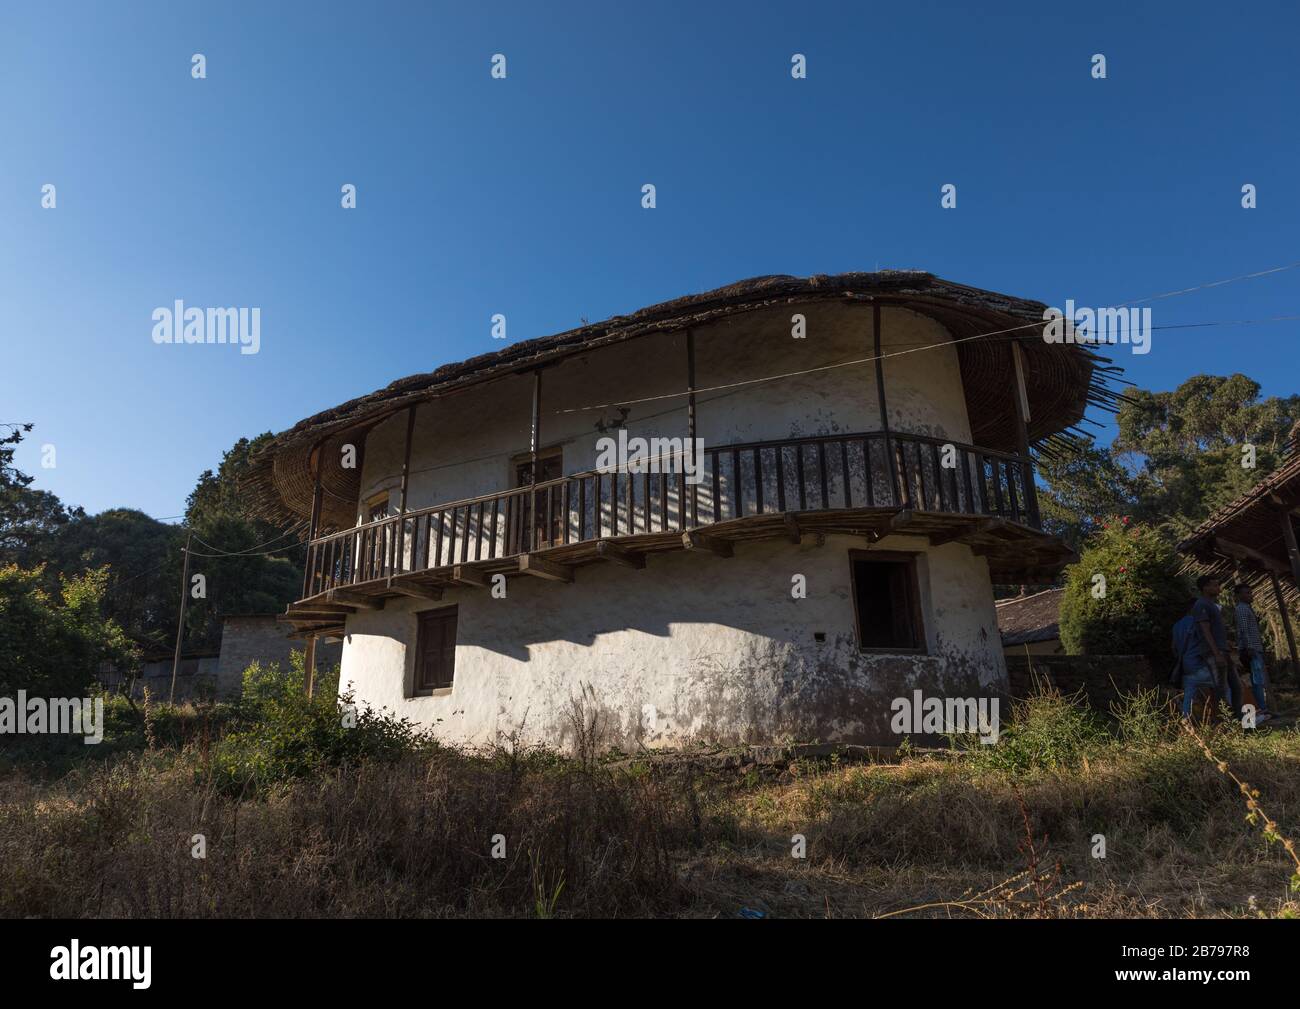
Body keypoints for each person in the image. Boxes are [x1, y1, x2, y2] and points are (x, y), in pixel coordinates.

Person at [1189, 575, 1239, 719]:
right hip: (1214, 653)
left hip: (1223, 650)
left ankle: (1240, 721)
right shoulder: (1201, 605)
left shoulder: (1213, 605)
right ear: (1205, 588)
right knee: (1220, 688)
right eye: (1215, 585)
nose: (1218, 588)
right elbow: (1205, 631)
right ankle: (1223, 723)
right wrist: (1216, 654)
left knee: (1236, 687)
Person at [1233, 582, 1272, 723]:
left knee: (1258, 680)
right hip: (1251, 650)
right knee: (1257, 681)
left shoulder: (1247, 608)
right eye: (1246, 593)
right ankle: (1261, 708)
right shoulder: (1242, 609)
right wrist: (1250, 648)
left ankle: (1262, 708)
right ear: (1238, 596)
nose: (1250, 595)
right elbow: (1244, 629)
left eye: (1250, 592)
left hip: (1254, 648)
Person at [1173, 597, 1216, 718]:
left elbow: (1174, 648)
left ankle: (1186, 722)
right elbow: (1206, 642)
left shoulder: (1177, 625)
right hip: (1201, 664)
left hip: (1186, 666)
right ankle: (1238, 718)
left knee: (1188, 697)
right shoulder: (1198, 623)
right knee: (1225, 688)